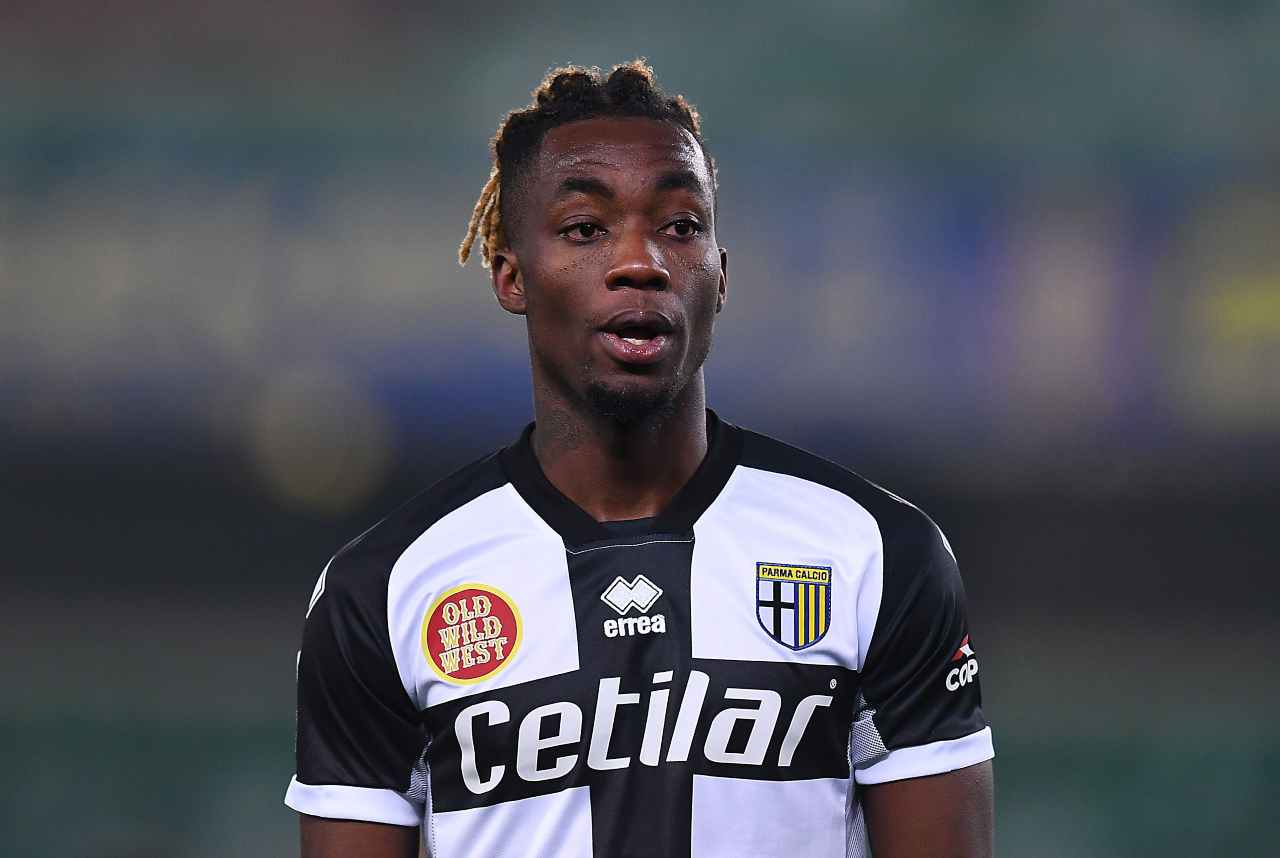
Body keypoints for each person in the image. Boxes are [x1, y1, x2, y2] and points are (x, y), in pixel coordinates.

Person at [285, 60, 994, 858]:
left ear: (721, 275)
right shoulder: (384, 587)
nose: (641, 262)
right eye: (586, 229)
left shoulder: (876, 554)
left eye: (681, 226)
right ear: (512, 276)